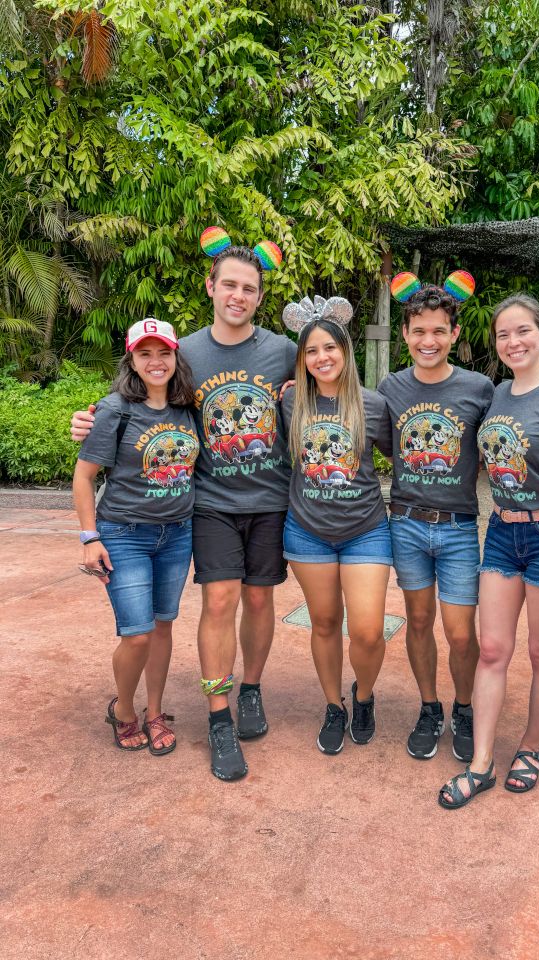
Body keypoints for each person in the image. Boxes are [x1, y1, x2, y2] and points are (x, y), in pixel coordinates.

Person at [71, 235, 297, 781]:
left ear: (260, 296)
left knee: (260, 600)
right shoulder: (185, 351)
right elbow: (136, 402)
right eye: (229, 285)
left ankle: (250, 690)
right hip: (210, 500)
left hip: (270, 498)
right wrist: (88, 421)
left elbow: (324, 394)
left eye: (249, 288)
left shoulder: (284, 351)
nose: (238, 295)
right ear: (210, 287)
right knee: (219, 601)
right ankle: (219, 717)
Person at [438, 293, 539, 809]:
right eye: (503, 334)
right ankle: (481, 763)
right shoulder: (497, 394)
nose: (513, 341)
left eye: (523, 331)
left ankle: (530, 746)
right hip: (502, 534)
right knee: (492, 651)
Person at [377, 277, 494, 763]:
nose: (429, 340)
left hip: (459, 526)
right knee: (419, 620)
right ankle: (430, 708)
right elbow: (382, 441)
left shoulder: (479, 388)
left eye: (439, 331)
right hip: (405, 521)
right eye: (420, 331)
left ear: (454, 333)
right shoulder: (390, 388)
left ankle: (464, 708)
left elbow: (500, 439)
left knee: (461, 631)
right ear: (405, 333)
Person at [73, 318, 199, 755]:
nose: (155, 361)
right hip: (124, 534)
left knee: (162, 626)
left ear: (175, 356)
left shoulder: (188, 409)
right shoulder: (115, 410)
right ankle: (124, 709)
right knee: (137, 633)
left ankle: (155, 711)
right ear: (131, 360)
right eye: (145, 353)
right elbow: (84, 476)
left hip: (177, 534)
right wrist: (89, 537)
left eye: (163, 352)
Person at [280, 295, 393, 754]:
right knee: (325, 622)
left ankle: (363, 696)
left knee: (367, 631)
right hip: (308, 531)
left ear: (345, 351)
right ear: (302, 360)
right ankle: (333, 705)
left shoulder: (374, 405)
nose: (321, 357)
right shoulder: (290, 401)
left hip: (366, 528)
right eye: (311, 351)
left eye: (329, 347)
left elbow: (405, 458)